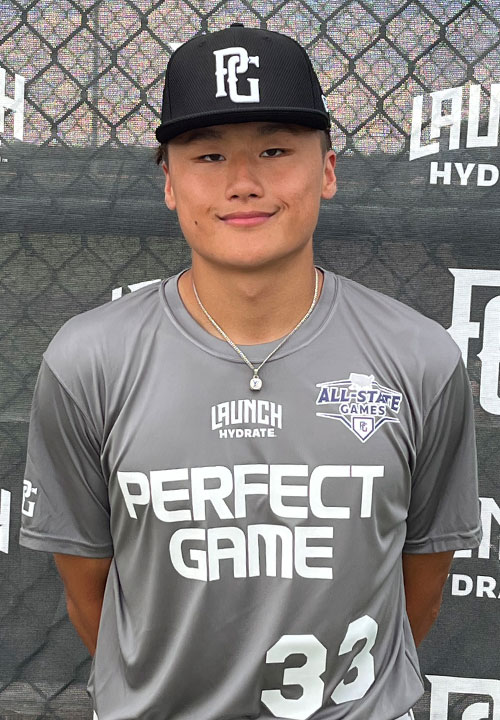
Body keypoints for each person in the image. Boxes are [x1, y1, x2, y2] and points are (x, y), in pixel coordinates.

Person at [19, 23, 481, 720]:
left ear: (327, 170)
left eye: (274, 150)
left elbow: (423, 580)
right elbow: (89, 591)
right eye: (209, 155)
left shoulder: (418, 358)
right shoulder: (88, 360)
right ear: (169, 182)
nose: (243, 183)